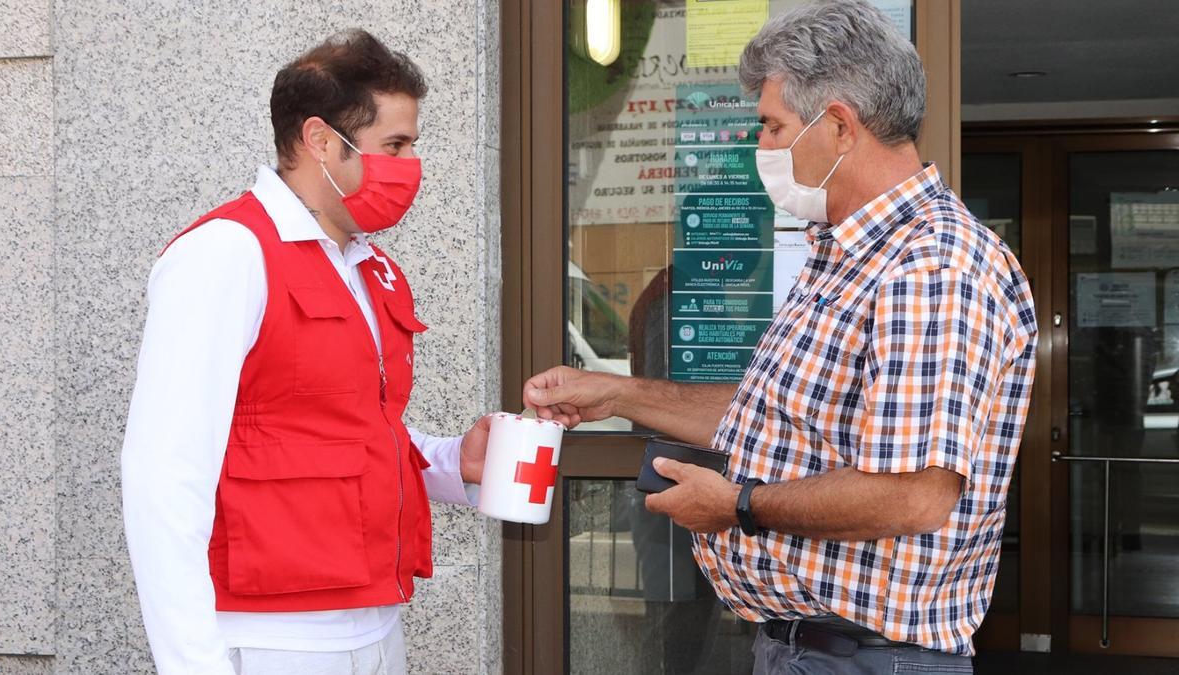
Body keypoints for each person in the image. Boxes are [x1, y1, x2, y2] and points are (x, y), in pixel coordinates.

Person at [524, 1, 1037, 673]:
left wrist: (738, 505)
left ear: (839, 126)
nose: (761, 146)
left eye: (773, 126)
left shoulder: (929, 266)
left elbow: (914, 492)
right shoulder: (850, 254)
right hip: (809, 648)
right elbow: (772, 422)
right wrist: (617, 393)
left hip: (865, 659)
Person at [121, 29, 490, 675]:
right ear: (320, 140)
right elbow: (164, 473)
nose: (410, 168)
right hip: (273, 637)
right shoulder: (227, 254)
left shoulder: (365, 265)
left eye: (412, 147)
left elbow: (345, 433)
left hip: (374, 620)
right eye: (394, 146)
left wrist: (454, 461)